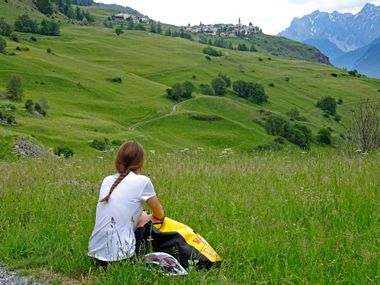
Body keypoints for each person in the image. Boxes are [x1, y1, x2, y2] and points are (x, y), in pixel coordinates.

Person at [88, 141, 164, 266]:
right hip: (121, 257)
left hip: (95, 254)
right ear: (140, 162)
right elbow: (160, 214)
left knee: (140, 216)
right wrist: (144, 217)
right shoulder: (143, 181)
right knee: (147, 219)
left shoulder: (107, 180)